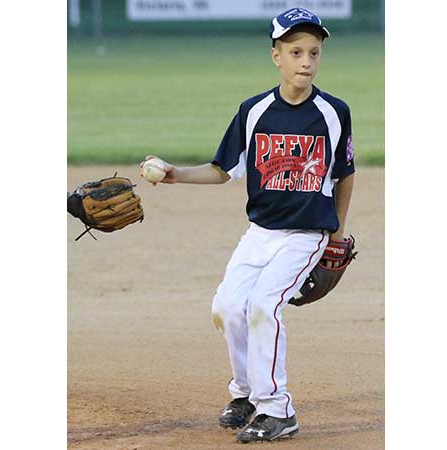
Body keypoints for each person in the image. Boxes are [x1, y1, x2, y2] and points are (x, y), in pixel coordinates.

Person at [140, 7, 355, 443]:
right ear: (276, 56)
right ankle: (246, 395)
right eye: (295, 51)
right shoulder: (254, 111)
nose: (306, 61)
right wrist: (176, 173)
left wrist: (336, 234)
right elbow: (223, 169)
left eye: (314, 52)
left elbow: (344, 173)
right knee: (227, 307)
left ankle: (278, 409)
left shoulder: (333, 112)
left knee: (263, 306)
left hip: (305, 234)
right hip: (259, 234)